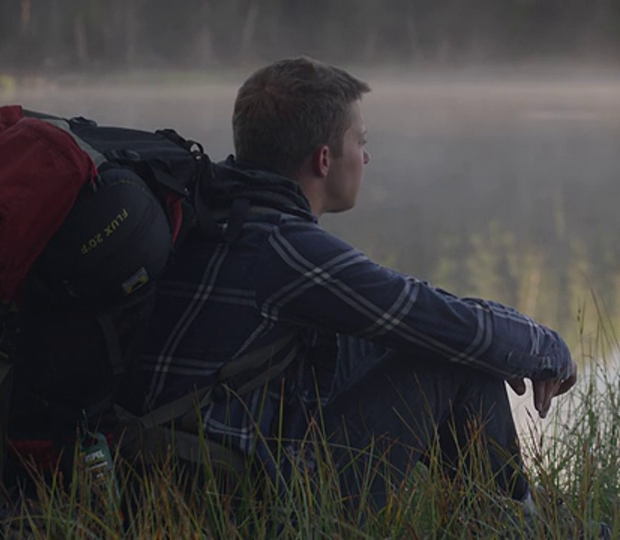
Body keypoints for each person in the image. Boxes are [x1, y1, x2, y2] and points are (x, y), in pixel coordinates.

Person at [126, 57, 578, 517]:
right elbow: (436, 319)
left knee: (405, 344)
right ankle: (516, 522)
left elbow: (415, 318)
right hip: (236, 507)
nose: (365, 157)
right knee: (454, 357)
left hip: (170, 480)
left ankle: (510, 514)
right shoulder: (285, 247)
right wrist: (549, 349)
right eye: (360, 142)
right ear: (324, 159)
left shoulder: (213, 214)